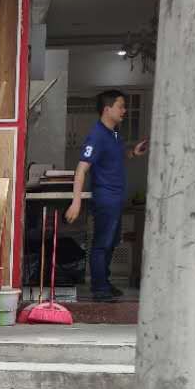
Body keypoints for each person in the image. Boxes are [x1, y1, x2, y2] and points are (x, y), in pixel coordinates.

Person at [66, 90, 148, 300]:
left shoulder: (115, 134)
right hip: (105, 198)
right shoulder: (97, 136)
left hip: (117, 197)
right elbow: (81, 169)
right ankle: (99, 289)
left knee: (111, 243)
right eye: (120, 106)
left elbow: (117, 156)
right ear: (107, 109)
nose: (124, 110)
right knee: (102, 244)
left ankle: (104, 282)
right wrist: (76, 201)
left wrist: (133, 152)